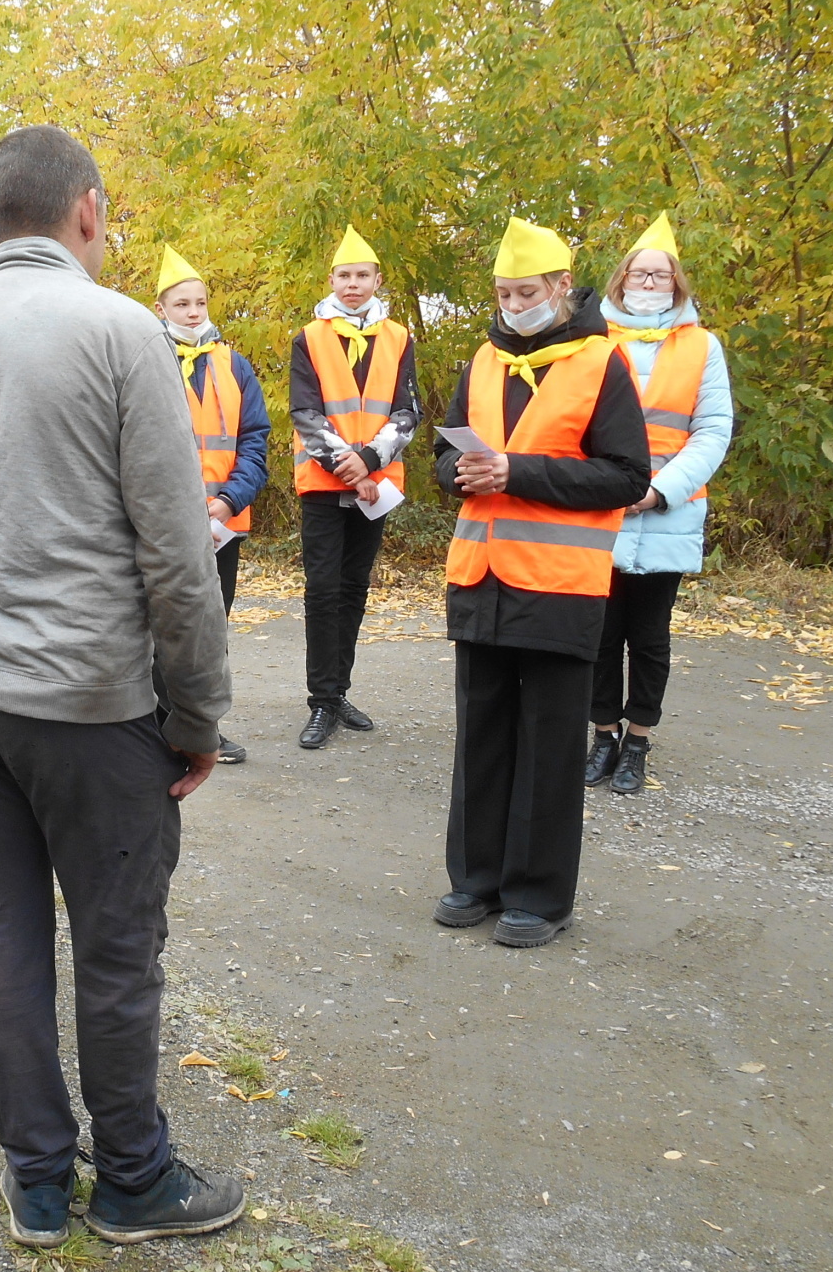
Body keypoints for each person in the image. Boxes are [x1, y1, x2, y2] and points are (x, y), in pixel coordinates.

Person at [0, 125, 241, 1250]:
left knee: (6, 938)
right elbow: (178, 555)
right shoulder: (123, 333)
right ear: (85, 208)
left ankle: (36, 1182)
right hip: (85, 700)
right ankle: (132, 1180)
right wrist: (195, 717)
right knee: (116, 948)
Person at [434, 217, 650, 947]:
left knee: (551, 744)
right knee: (482, 738)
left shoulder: (601, 364)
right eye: (501, 293)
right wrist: (457, 470)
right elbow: (445, 453)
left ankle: (539, 896)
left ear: (562, 286)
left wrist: (516, 471)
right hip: (481, 578)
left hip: (560, 584)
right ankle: (475, 879)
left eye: (524, 291)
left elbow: (626, 476)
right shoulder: (483, 359)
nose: (511, 304)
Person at [585, 214, 733, 794]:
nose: (649, 284)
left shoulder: (703, 346)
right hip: (603, 510)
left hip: (668, 512)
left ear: (677, 285)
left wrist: (659, 489)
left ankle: (638, 742)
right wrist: (608, 486)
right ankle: (602, 736)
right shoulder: (594, 340)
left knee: (649, 638)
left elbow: (713, 428)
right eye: (639, 274)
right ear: (620, 282)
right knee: (599, 632)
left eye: (660, 276)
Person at [290, 225, 420, 750]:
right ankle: (320, 700)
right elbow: (305, 411)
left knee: (354, 589)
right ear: (332, 280)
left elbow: (407, 411)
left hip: (376, 484)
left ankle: (339, 690)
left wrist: (369, 462)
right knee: (323, 591)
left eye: (361, 275)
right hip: (324, 484)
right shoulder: (309, 337)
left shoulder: (399, 337)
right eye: (344, 275)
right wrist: (349, 466)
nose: (352, 284)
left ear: (376, 280)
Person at [152, 244, 270, 763]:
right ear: (161, 309)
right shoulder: (146, 360)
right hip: (162, 523)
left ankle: (203, 729)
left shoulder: (235, 365)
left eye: (200, 303)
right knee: (157, 625)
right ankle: (155, 725)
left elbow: (254, 442)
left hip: (222, 522)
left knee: (210, 628)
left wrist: (227, 501)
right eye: (182, 305)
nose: (194, 313)